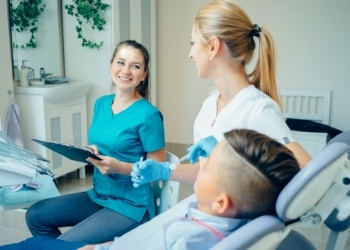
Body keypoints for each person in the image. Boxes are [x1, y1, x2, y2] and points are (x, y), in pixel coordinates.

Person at [0, 129, 300, 250]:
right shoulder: (213, 211)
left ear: (222, 202)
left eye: (207, 167)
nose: (200, 165)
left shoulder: (187, 239)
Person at [131, 0, 310, 190]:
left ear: (213, 46)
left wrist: (229, 153)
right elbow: (204, 170)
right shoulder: (209, 106)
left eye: (193, 43)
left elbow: (307, 170)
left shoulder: (257, 109)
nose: (190, 54)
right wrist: (165, 170)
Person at [24, 40, 166, 244]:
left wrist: (120, 168)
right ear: (111, 66)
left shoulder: (148, 115)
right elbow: (105, 144)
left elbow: (159, 167)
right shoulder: (101, 104)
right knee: (36, 216)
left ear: (144, 74)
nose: (126, 71)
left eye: (135, 66)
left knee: (66, 244)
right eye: (120, 62)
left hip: (131, 205)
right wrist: (92, 152)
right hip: (98, 195)